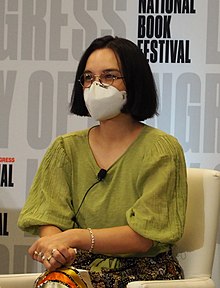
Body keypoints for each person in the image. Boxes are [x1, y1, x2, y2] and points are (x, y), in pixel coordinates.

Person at [18, 35, 188, 287]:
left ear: (134, 82)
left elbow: (144, 237)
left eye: (109, 76)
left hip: (142, 273)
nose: (96, 85)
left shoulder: (161, 148)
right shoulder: (65, 148)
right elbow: (49, 217)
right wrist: (57, 250)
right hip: (78, 268)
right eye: (88, 77)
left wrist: (74, 237)